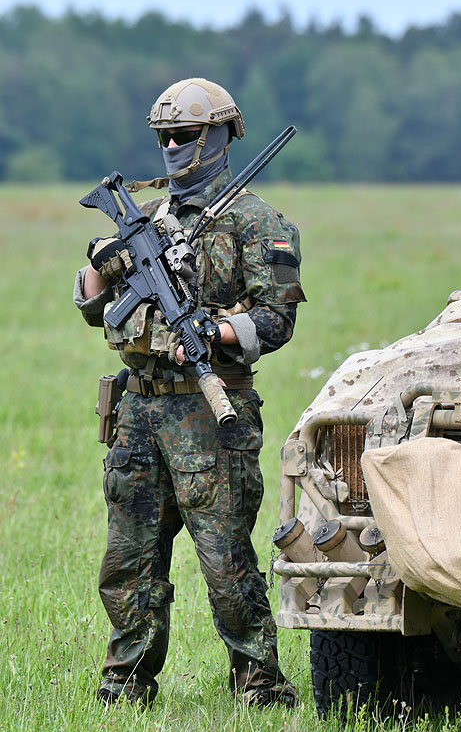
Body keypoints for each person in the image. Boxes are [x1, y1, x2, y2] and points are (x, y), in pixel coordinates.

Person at [73, 77, 306, 708]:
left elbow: (278, 318)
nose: (174, 146)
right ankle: (125, 684)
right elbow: (94, 308)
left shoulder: (259, 223)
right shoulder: (144, 220)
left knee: (225, 561)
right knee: (128, 561)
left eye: (187, 135)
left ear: (222, 136)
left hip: (213, 410)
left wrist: (218, 327)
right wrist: (103, 257)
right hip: (139, 410)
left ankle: (259, 686)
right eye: (165, 136)